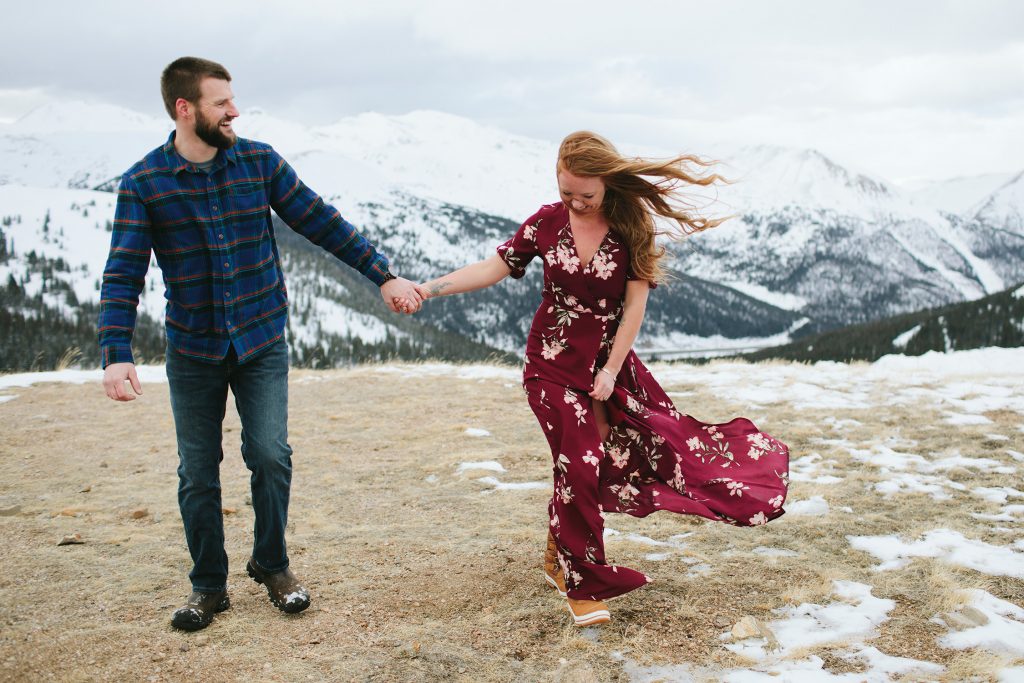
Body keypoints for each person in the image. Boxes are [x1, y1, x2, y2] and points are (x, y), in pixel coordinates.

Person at [98, 56, 422, 632]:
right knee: (198, 472)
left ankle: (272, 565)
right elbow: (124, 272)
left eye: (232, 100)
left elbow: (320, 220)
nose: (234, 111)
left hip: (262, 338)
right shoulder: (144, 183)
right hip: (193, 349)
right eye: (221, 102)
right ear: (185, 108)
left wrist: (383, 274)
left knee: (271, 456)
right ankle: (208, 587)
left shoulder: (258, 161)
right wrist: (115, 351)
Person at [415, 131, 789, 626]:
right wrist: (428, 289)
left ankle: (558, 554)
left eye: (585, 195)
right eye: (566, 191)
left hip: (608, 364)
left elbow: (635, 306)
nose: (575, 202)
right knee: (581, 455)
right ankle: (583, 578)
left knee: (623, 454)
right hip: (550, 362)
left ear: (607, 185)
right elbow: (493, 267)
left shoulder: (632, 226)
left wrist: (612, 370)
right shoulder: (546, 223)